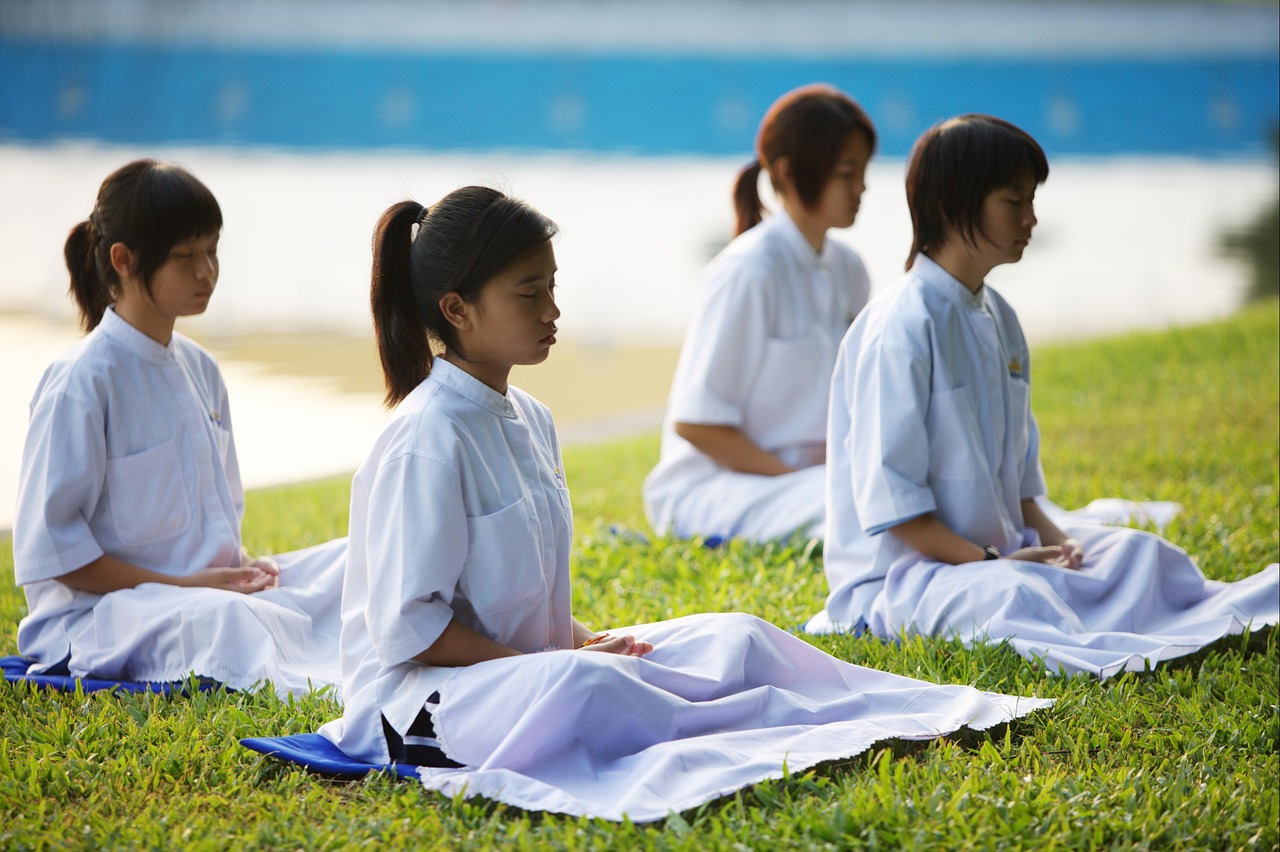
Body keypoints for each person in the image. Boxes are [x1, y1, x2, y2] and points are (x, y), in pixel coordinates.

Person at [315, 186, 1051, 821]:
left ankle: (871, 712)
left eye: (552, 286)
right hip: (417, 708)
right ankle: (760, 727)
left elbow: (515, 592)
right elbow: (414, 632)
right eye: (528, 292)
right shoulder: (425, 439)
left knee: (735, 635)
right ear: (458, 309)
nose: (553, 309)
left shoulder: (530, 419)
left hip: (524, 670)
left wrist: (576, 636)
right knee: (596, 684)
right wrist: (548, 658)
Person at [810, 115, 1278, 677]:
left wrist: (1064, 546)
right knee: (1014, 599)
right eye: (1015, 202)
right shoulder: (900, 327)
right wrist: (996, 560)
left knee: (1138, 555)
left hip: (1003, 553)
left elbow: (1023, 492)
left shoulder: (998, 316)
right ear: (954, 205)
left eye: (1031, 201)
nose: (1031, 219)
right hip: (910, 575)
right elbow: (897, 515)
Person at [12, 159, 346, 695]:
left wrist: (239, 571)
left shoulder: (202, 369)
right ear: (123, 260)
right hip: (103, 615)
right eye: (186, 256)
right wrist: (190, 585)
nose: (207, 271)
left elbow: (214, 527)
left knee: (354, 562)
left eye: (212, 250)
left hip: (202, 591)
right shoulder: (80, 382)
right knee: (231, 621)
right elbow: (57, 555)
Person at [642, 84, 874, 543]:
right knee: (865, 510)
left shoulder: (849, 269)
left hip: (807, 481)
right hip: (721, 488)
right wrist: (796, 476)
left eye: (863, 171)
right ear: (788, 173)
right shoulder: (748, 271)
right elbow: (696, 422)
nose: (861, 187)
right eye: (847, 172)